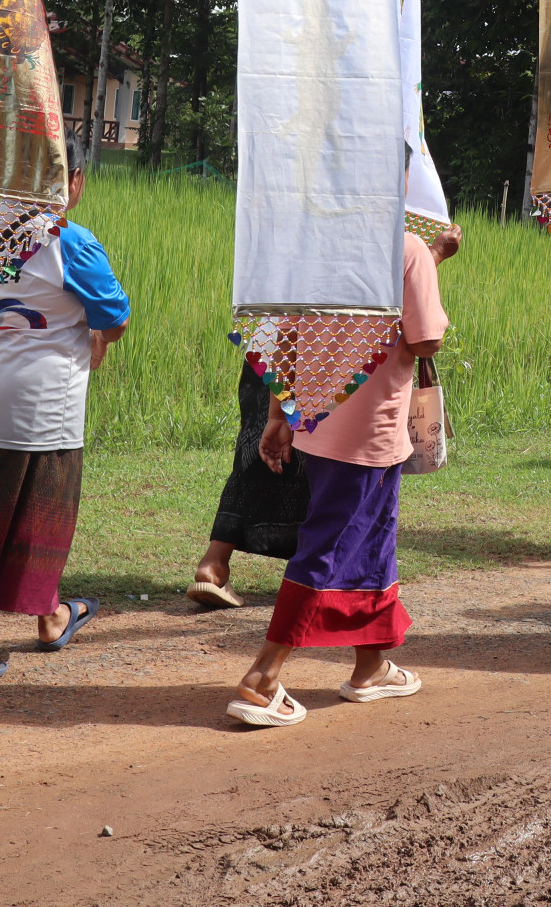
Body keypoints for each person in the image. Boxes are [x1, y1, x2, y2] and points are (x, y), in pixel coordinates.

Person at [224, 225, 449, 728]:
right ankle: (263, 676)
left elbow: (280, 339)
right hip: (367, 429)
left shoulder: (309, 239)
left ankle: (370, 666)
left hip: (315, 422)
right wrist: (432, 263)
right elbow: (427, 339)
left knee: (373, 540)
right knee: (329, 544)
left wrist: (279, 416)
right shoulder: (406, 247)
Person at [190, 223, 463, 607]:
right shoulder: (374, 237)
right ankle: (311, 581)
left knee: (256, 455)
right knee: (320, 469)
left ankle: (216, 563)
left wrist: (277, 410)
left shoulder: (308, 221)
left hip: (273, 350)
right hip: (327, 364)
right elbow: (373, 297)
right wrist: (431, 256)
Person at [0, 143, 131, 680]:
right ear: (71, 181)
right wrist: (97, 346)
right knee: (24, 526)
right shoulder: (70, 243)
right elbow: (114, 315)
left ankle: (52, 614)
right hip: (44, 408)